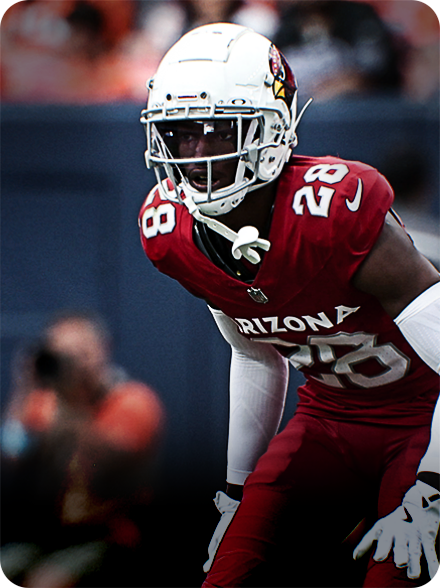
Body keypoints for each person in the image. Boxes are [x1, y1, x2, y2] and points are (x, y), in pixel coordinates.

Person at [137, 22, 440, 587]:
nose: (195, 154)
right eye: (179, 133)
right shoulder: (170, 231)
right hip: (330, 421)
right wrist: (236, 489)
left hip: (427, 416)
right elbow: (254, 353)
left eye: (215, 132)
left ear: (271, 129)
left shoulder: (332, 210)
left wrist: (434, 487)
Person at [0, 309, 165, 588]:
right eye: (60, 353)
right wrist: (24, 388)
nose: (70, 362)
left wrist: (74, 405)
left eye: (79, 352)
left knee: (46, 583)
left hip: (111, 533)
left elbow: (108, 464)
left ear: (102, 350)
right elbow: (13, 452)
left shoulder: (133, 401)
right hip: (49, 534)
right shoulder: (46, 401)